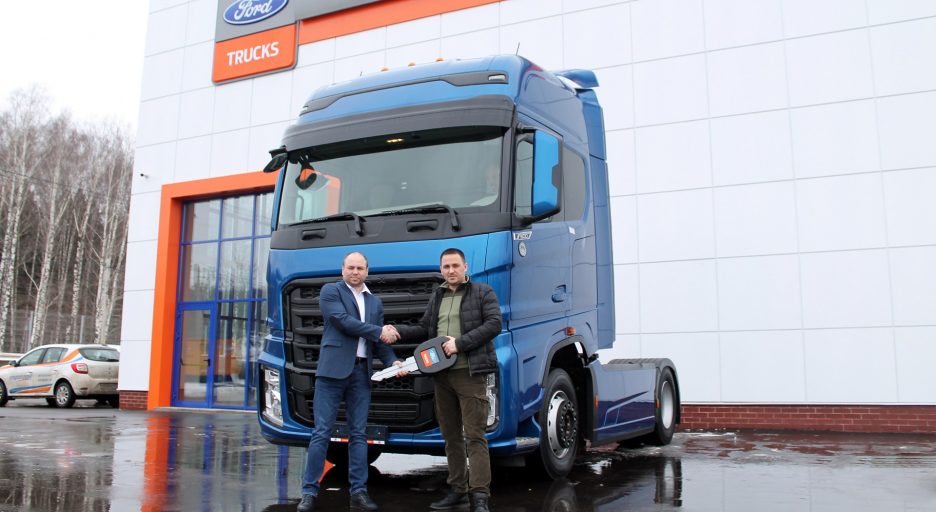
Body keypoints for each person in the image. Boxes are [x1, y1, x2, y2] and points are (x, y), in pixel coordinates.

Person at [387, 248, 501, 512]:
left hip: (469, 373)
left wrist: (459, 344)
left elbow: (494, 324)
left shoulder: (482, 292)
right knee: (450, 436)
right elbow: (424, 329)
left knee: (475, 436)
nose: (451, 271)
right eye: (446, 267)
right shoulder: (437, 295)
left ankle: (480, 496)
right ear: (441, 270)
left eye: (455, 266)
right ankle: (458, 490)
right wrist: (397, 331)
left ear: (465, 267)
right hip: (441, 376)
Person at [298, 252, 404, 512]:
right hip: (331, 372)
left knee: (358, 434)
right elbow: (342, 321)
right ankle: (309, 493)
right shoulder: (330, 291)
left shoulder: (375, 302)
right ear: (342, 269)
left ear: (367, 271)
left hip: (361, 373)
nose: (355, 272)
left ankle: (359, 492)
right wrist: (380, 331)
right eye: (351, 267)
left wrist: (393, 362)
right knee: (321, 432)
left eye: (360, 268)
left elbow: (379, 344)